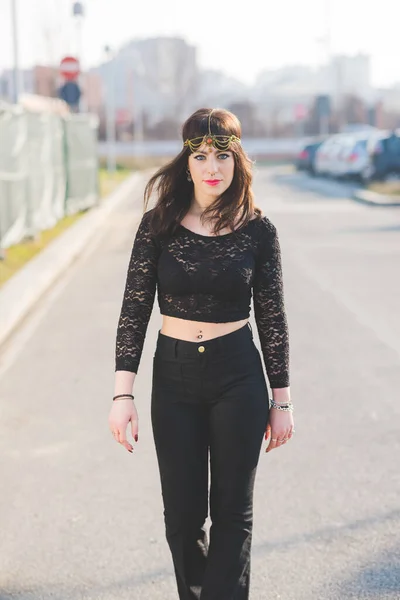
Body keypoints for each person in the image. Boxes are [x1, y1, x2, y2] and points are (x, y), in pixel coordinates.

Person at [109, 107, 295, 600]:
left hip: (238, 374)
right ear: (186, 163)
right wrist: (121, 395)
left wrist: (282, 402)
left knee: (233, 514)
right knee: (183, 516)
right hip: (173, 376)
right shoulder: (158, 226)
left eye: (223, 156)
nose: (213, 167)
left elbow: (273, 319)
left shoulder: (259, 231)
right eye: (202, 157)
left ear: (238, 162)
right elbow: (133, 311)